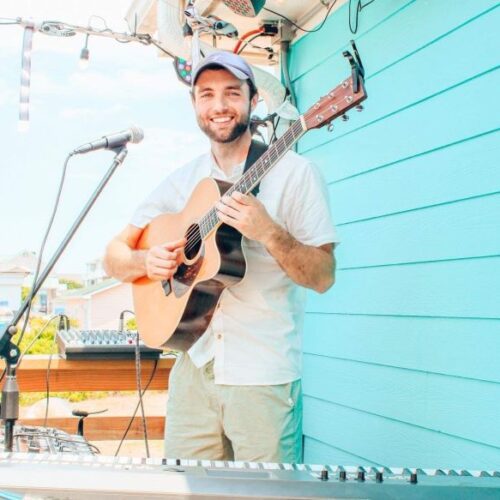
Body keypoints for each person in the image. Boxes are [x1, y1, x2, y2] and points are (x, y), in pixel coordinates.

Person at [104, 51, 339, 463]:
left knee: (268, 496)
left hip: (261, 373)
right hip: (193, 368)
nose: (219, 105)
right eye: (206, 94)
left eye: (232, 92)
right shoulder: (182, 181)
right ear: (195, 104)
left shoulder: (295, 173)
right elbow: (114, 255)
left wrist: (269, 232)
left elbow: (323, 276)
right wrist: (147, 263)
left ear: (252, 100)